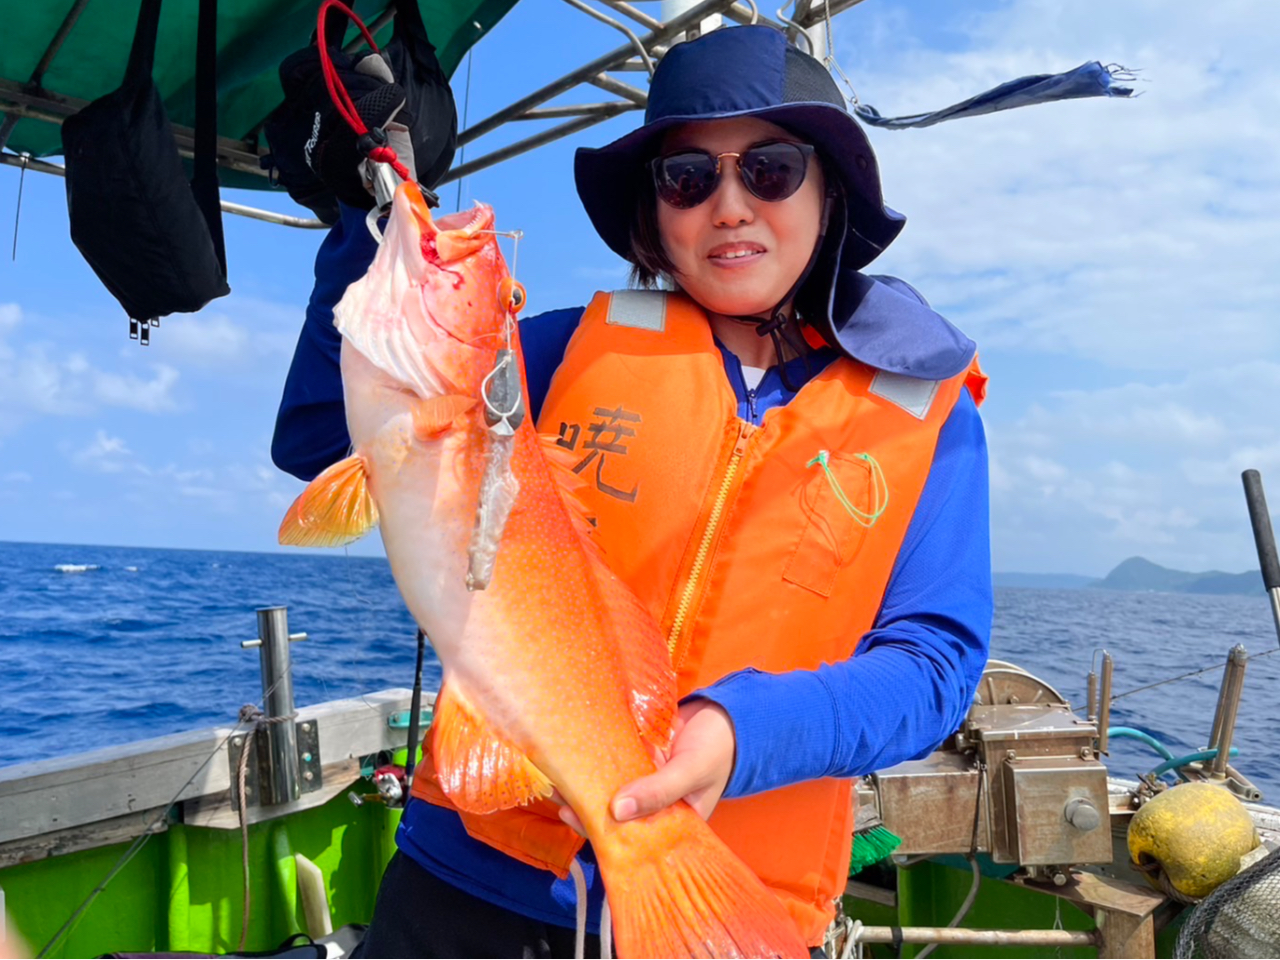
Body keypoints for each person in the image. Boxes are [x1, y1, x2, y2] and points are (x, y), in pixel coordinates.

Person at [272, 24, 991, 959]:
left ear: (831, 189)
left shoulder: (930, 414)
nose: (729, 205)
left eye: (769, 170)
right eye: (688, 178)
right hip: (466, 882)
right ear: (655, 215)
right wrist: (362, 217)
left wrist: (739, 732)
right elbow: (322, 434)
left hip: (727, 901)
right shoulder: (557, 351)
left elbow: (935, 666)